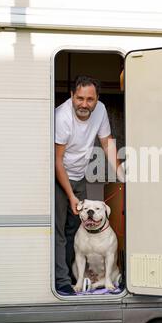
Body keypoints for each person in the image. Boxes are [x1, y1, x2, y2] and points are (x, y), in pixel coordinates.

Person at [55, 75, 122, 295]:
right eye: (80, 98)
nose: (84, 104)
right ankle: (61, 281)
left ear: (97, 99)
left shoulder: (100, 110)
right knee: (59, 230)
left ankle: (77, 277)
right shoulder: (62, 117)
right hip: (58, 175)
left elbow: (106, 142)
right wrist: (71, 196)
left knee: (75, 228)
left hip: (79, 174)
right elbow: (57, 161)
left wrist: (121, 174)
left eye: (90, 99)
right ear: (72, 96)